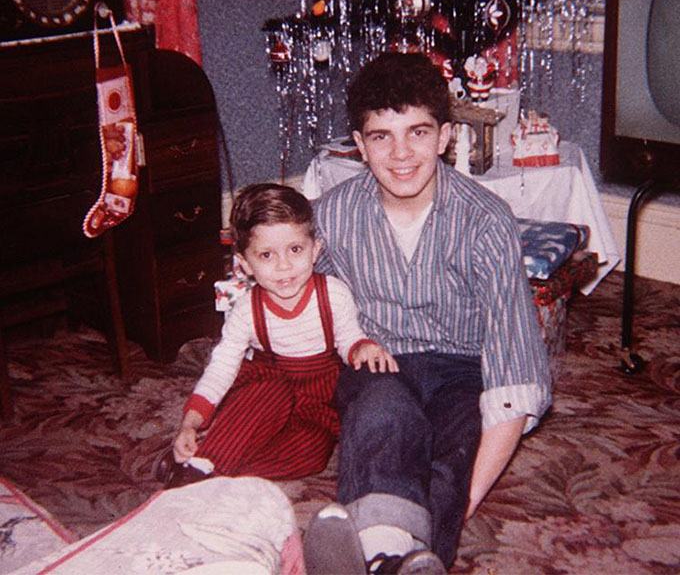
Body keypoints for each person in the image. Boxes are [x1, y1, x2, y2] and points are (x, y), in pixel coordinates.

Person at [306, 52, 552, 573]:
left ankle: (385, 557)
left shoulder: (487, 222)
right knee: (383, 417)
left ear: (445, 137)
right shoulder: (330, 216)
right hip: (377, 360)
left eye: (417, 133)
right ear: (359, 145)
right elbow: (294, 293)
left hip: (460, 370)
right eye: (381, 137)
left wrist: (462, 498)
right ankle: (388, 556)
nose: (401, 154)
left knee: (452, 457)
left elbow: (515, 370)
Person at [162, 183, 399, 488]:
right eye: (266, 255)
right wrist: (190, 422)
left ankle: (215, 469)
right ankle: (200, 469)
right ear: (245, 265)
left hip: (316, 398)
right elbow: (221, 367)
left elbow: (349, 338)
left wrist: (361, 348)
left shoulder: (334, 295)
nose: (284, 266)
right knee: (269, 393)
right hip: (267, 387)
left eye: (295, 250)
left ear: (315, 250)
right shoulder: (248, 309)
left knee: (312, 452)